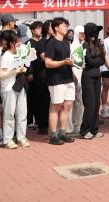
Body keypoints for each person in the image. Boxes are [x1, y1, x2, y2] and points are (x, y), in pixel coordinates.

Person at [43, 17, 77, 145]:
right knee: (56, 106)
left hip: (68, 78)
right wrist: (63, 62)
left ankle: (62, 132)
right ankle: (53, 135)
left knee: (67, 105)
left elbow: (67, 60)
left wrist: (73, 65)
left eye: (66, 25)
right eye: (63, 25)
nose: (66, 28)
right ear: (56, 28)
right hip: (56, 79)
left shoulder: (66, 42)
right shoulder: (51, 43)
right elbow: (48, 63)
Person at [0, 29, 30, 148]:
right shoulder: (6, 56)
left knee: (22, 113)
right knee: (9, 114)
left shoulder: (19, 54)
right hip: (9, 88)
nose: (20, 45)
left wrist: (23, 69)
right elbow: (2, 75)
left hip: (21, 86)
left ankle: (21, 137)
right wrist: (15, 71)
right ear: (11, 43)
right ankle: (7, 139)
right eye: (18, 43)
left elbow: (24, 66)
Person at [79, 23, 105, 140]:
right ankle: (85, 130)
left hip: (97, 75)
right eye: (94, 31)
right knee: (90, 103)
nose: (96, 33)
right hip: (87, 76)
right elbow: (88, 61)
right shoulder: (85, 44)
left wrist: (96, 61)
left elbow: (102, 59)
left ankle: (94, 129)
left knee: (97, 103)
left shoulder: (98, 43)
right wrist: (97, 61)